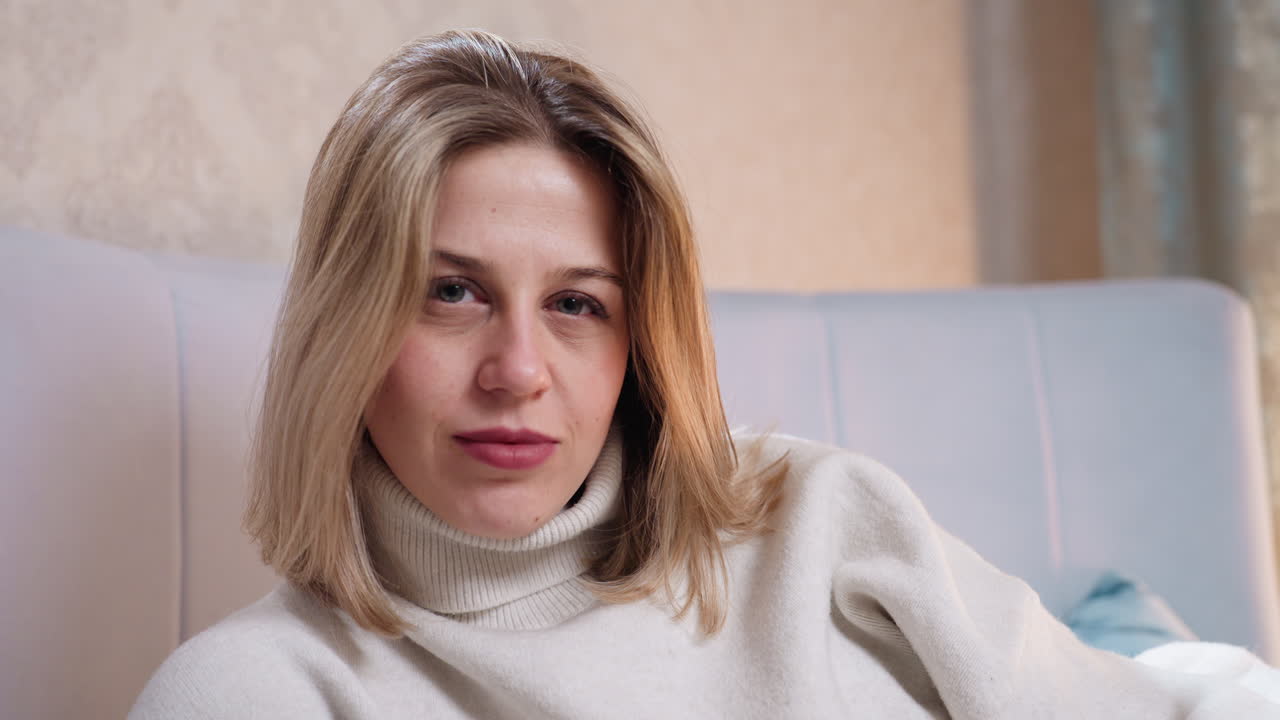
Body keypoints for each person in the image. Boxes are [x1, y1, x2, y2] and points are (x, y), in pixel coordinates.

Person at [130, 29, 1278, 718]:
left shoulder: (810, 516)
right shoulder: (259, 690)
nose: (517, 370)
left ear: (638, 342)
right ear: (346, 321)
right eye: (452, 292)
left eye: (577, 305)